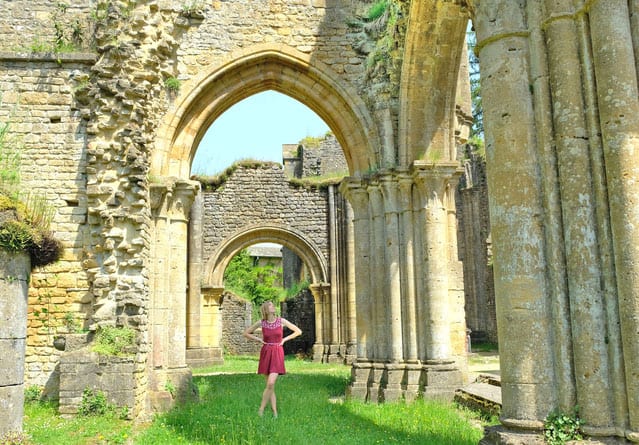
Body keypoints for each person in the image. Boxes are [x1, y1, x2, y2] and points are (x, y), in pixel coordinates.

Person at [242, 300, 302, 417]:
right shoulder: (262, 323)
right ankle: (275, 412)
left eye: (272, 305)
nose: (273, 306)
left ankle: (261, 409)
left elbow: (298, 331)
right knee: (270, 387)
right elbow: (246, 333)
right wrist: (259, 340)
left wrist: (284, 340)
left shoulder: (281, 321)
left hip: (277, 352)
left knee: (270, 383)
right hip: (266, 352)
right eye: (270, 305)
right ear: (265, 309)